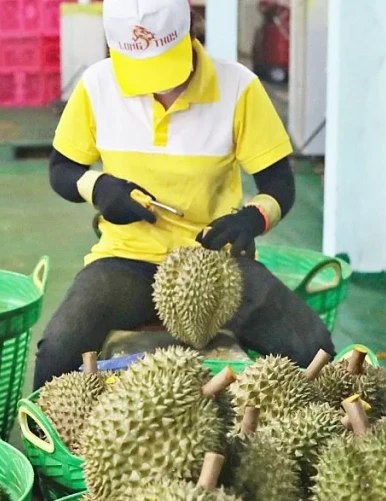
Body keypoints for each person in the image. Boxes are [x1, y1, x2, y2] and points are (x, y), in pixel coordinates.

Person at [34, 0, 334, 389]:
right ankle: (45, 448)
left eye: (165, 66)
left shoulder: (238, 87)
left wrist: (252, 218)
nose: (158, 84)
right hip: (126, 259)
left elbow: (279, 183)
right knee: (58, 349)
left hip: (216, 263)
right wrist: (99, 188)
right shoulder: (97, 85)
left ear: (192, 30)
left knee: (313, 347)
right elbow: (62, 170)